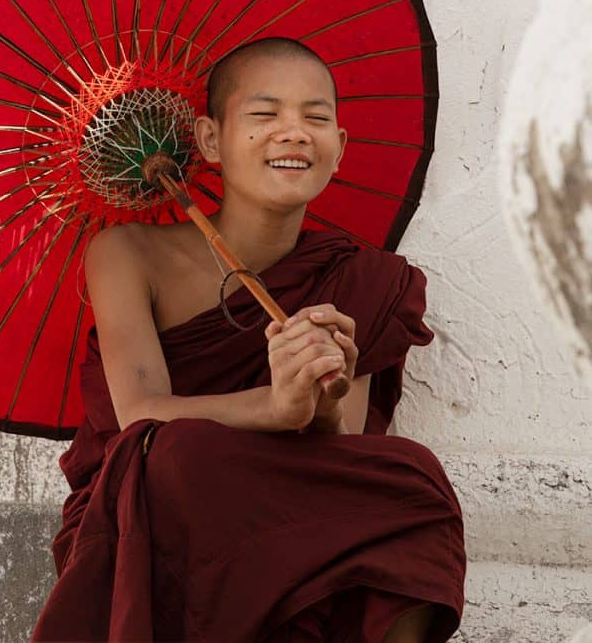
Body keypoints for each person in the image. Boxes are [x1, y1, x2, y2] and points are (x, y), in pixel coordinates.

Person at [30, 36, 466, 643]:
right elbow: (140, 416)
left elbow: (342, 443)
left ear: (338, 148)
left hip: (289, 489)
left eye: (315, 118)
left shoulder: (363, 279)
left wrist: (324, 395)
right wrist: (274, 405)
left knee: (414, 478)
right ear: (211, 140)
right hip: (162, 497)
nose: (293, 132)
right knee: (186, 454)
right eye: (264, 115)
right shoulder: (127, 252)